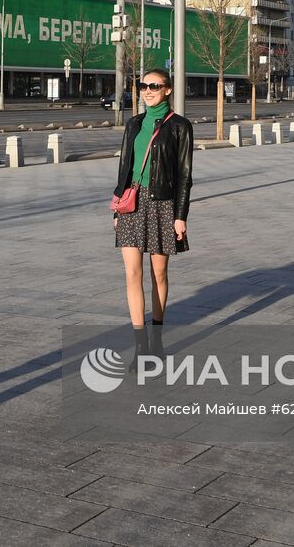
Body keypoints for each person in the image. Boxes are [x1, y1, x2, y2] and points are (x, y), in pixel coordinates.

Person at [112, 68, 193, 368]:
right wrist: (119, 204)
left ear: (168, 90)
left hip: (163, 204)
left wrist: (180, 216)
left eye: (154, 86)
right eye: (143, 85)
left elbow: (185, 176)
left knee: (158, 274)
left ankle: (157, 340)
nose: (147, 91)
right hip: (132, 202)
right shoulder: (133, 124)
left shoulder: (180, 127)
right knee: (132, 274)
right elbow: (124, 166)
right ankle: (141, 347)